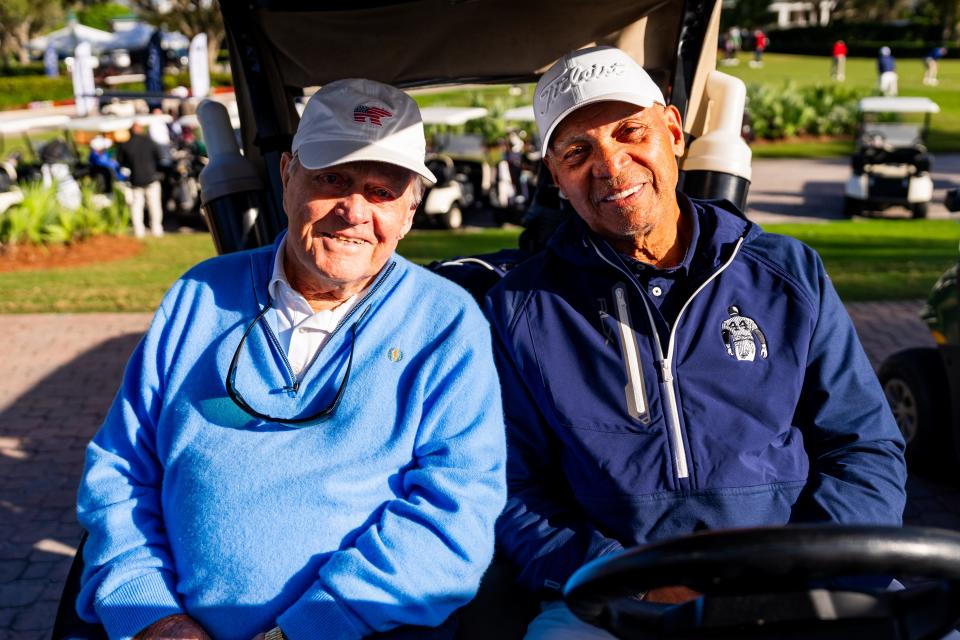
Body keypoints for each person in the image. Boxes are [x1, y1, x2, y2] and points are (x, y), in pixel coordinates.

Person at [484, 46, 907, 638]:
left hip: (807, 578)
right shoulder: (519, 309)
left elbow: (864, 448)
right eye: (578, 151)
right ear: (555, 176)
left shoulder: (787, 273)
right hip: (618, 597)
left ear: (674, 131)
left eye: (632, 131)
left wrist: (802, 569)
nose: (610, 165)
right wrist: (633, 578)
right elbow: (511, 491)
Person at [75, 78, 506, 640]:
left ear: (410, 210)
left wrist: (306, 630)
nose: (354, 210)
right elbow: (119, 473)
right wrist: (152, 615)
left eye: (383, 191)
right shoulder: (199, 295)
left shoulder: (445, 321)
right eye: (332, 178)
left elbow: (457, 514)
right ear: (287, 177)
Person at [117, 121, 164, 238]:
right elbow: (159, 158)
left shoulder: (125, 145)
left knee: (137, 206)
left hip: (135, 180)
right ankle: (156, 229)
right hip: (151, 178)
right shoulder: (150, 142)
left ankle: (139, 230)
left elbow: (121, 163)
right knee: (154, 205)